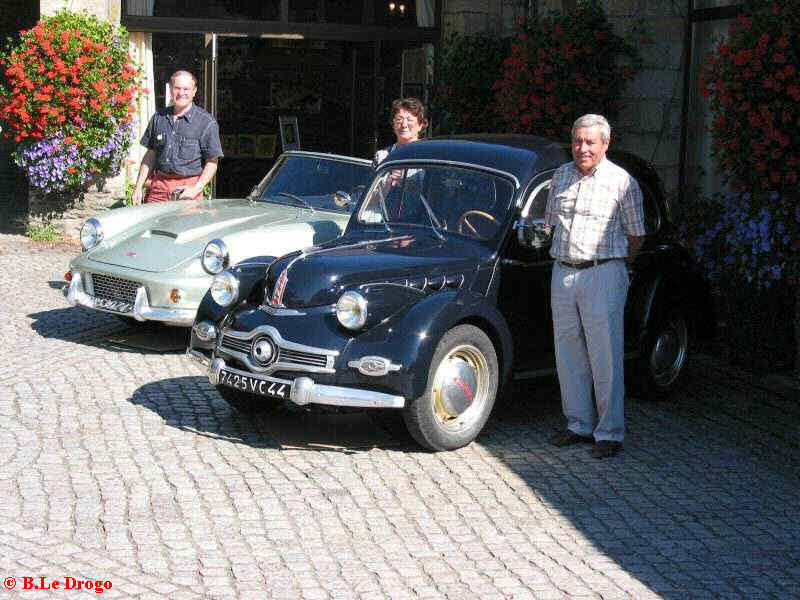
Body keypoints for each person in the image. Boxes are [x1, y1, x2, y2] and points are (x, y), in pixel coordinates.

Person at [544, 114, 647, 459]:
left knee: (605, 355)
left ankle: (609, 432)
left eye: (590, 142)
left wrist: (617, 268)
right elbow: (549, 225)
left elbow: (637, 235)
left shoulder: (622, 182)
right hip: (563, 271)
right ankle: (578, 425)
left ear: (605, 144)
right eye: (577, 141)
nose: (582, 148)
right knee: (568, 354)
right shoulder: (560, 176)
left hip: (603, 273)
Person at [132, 70, 223, 204]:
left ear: (194, 91)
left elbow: (212, 161)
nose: (181, 93)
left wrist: (197, 188)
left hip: (187, 191)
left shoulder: (206, 122)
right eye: (177, 88)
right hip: (158, 190)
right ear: (170, 89)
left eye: (186, 89)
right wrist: (138, 187)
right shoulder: (158, 118)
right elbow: (150, 154)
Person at [373, 97, 428, 167]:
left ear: (420, 125)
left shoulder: (428, 155)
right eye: (399, 119)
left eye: (409, 120)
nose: (404, 125)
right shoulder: (382, 157)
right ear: (393, 123)